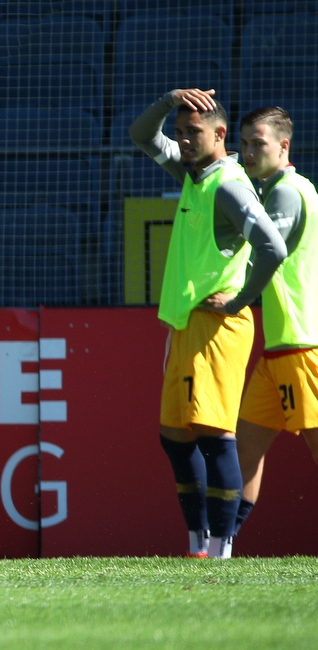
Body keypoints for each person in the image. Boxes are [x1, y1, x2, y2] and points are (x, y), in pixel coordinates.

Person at [129, 88, 287, 559]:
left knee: (215, 437)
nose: (183, 140)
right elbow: (142, 135)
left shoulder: (229, 183)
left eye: (192, 132)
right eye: (179, 133)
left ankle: (222, 545)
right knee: (175, 437)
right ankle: (198, 541)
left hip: (218, 328)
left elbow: (273, 247)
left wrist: (242, 297)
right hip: (186, 324)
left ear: (220, 134)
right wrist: (166, 99)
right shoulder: (193, 174)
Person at [232, 107, 318, 544]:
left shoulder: (286, 191)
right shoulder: (275, 190)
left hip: (304, 347)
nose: (248, 152)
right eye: (244, 143)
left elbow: (270, 255)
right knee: (244, 451)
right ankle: (221, 548)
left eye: (258, 143)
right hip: (279, 350)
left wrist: (237, 300)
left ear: (284, 146)